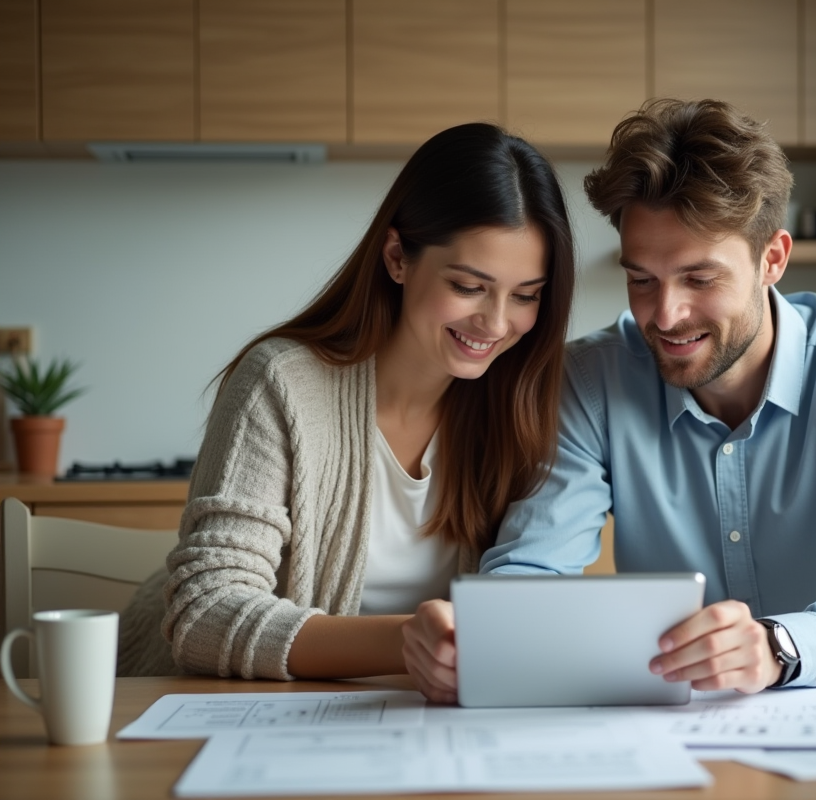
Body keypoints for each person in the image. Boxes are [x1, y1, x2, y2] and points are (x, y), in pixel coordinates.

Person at [404, 99, 816, 703]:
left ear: (773, 259)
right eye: (641, 280)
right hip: (693, 727)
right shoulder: (590, 381)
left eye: (700, 279)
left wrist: (777, 647)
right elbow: (534, 569)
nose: (666, 315)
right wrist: (482, 636)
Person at [116, 122, 575, 683]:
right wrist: (407, 642)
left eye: (525, 296)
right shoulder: (283, 383)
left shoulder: (520, 406)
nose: (497, 323)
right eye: (468, 286)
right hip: (250, 717)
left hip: (415, 723)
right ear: (398, 257)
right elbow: (205, 611)